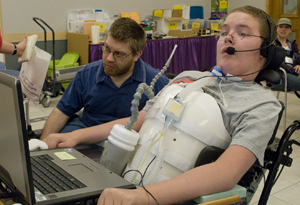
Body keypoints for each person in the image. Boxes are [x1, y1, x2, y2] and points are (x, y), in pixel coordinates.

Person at [43, 5, 282, 204]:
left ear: (266, 51)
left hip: (162, 198)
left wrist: (142, 198)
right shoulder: (186, 77)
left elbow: (226, 173)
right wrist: (76, 137)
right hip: (126, 184)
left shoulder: (260, 105)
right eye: (224, 31)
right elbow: (138, 120)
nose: (228, 37)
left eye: (242, 32)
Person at [40, 17, 169, 142]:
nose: (109, 58)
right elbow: (62, 112)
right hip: (85, 131)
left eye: (119, 54)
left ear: (136, 55)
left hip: (127, 141)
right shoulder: (87, 74)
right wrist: (42, 147)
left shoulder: (156, 82)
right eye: (106, 49)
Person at [271, 17, 300, 90]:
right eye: (281, 27)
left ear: (291, 30)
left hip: (293, 74)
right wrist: (294, 72)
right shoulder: (272, 44)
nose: (283, 29)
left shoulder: (292, 45)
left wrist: (298, 65)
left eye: (287, 27)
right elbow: (276, 63)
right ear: (276, 29)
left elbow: (297, 59)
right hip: (280, 75)